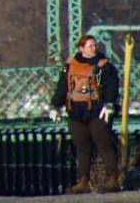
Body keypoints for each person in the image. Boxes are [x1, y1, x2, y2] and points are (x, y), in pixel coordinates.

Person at [50, 34, 120, 193]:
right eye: (90, 46)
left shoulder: (103, 66)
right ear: (81, 48)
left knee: (104, 145)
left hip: (97, 110)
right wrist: (54, 105)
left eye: (95, 45)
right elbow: (63, 87)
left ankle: (112, 179)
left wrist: (109, 104)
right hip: (75, 111)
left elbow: (112, 86)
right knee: (82, 148)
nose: (94, 48)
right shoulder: (70, 65)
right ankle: (83, 181)